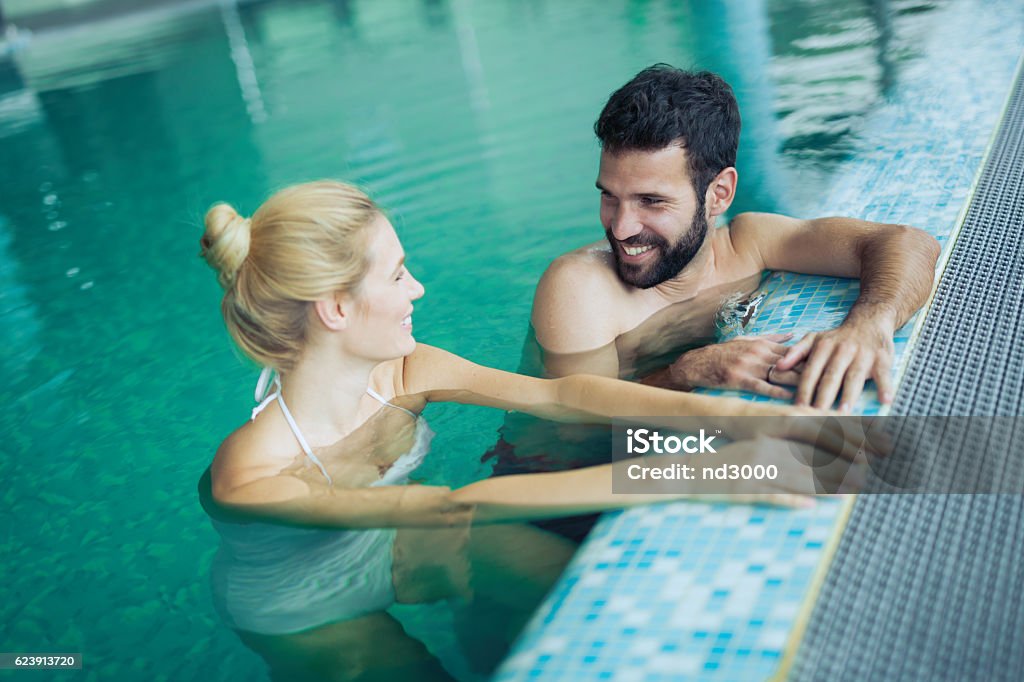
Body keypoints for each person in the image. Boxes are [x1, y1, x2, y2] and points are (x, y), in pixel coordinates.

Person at [197, 181, 855, 681]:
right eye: (398, 274)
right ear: (336, 308)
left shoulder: (405, 371)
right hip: (302, 602)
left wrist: (723, 412)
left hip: (389, 534)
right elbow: (449, 506)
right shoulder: (248, 476)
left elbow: (560, 395)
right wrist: (693, 472)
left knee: (586, 590)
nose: (418, 288)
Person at [531, 64, 941, 411]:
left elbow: (908, 243)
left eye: (651, 201)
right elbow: (575, 426)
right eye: (610, 197)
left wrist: (869, 325)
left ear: (719, 194)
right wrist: (684, 372)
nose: (621, 228)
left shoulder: (748, 243)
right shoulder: (580, 288)